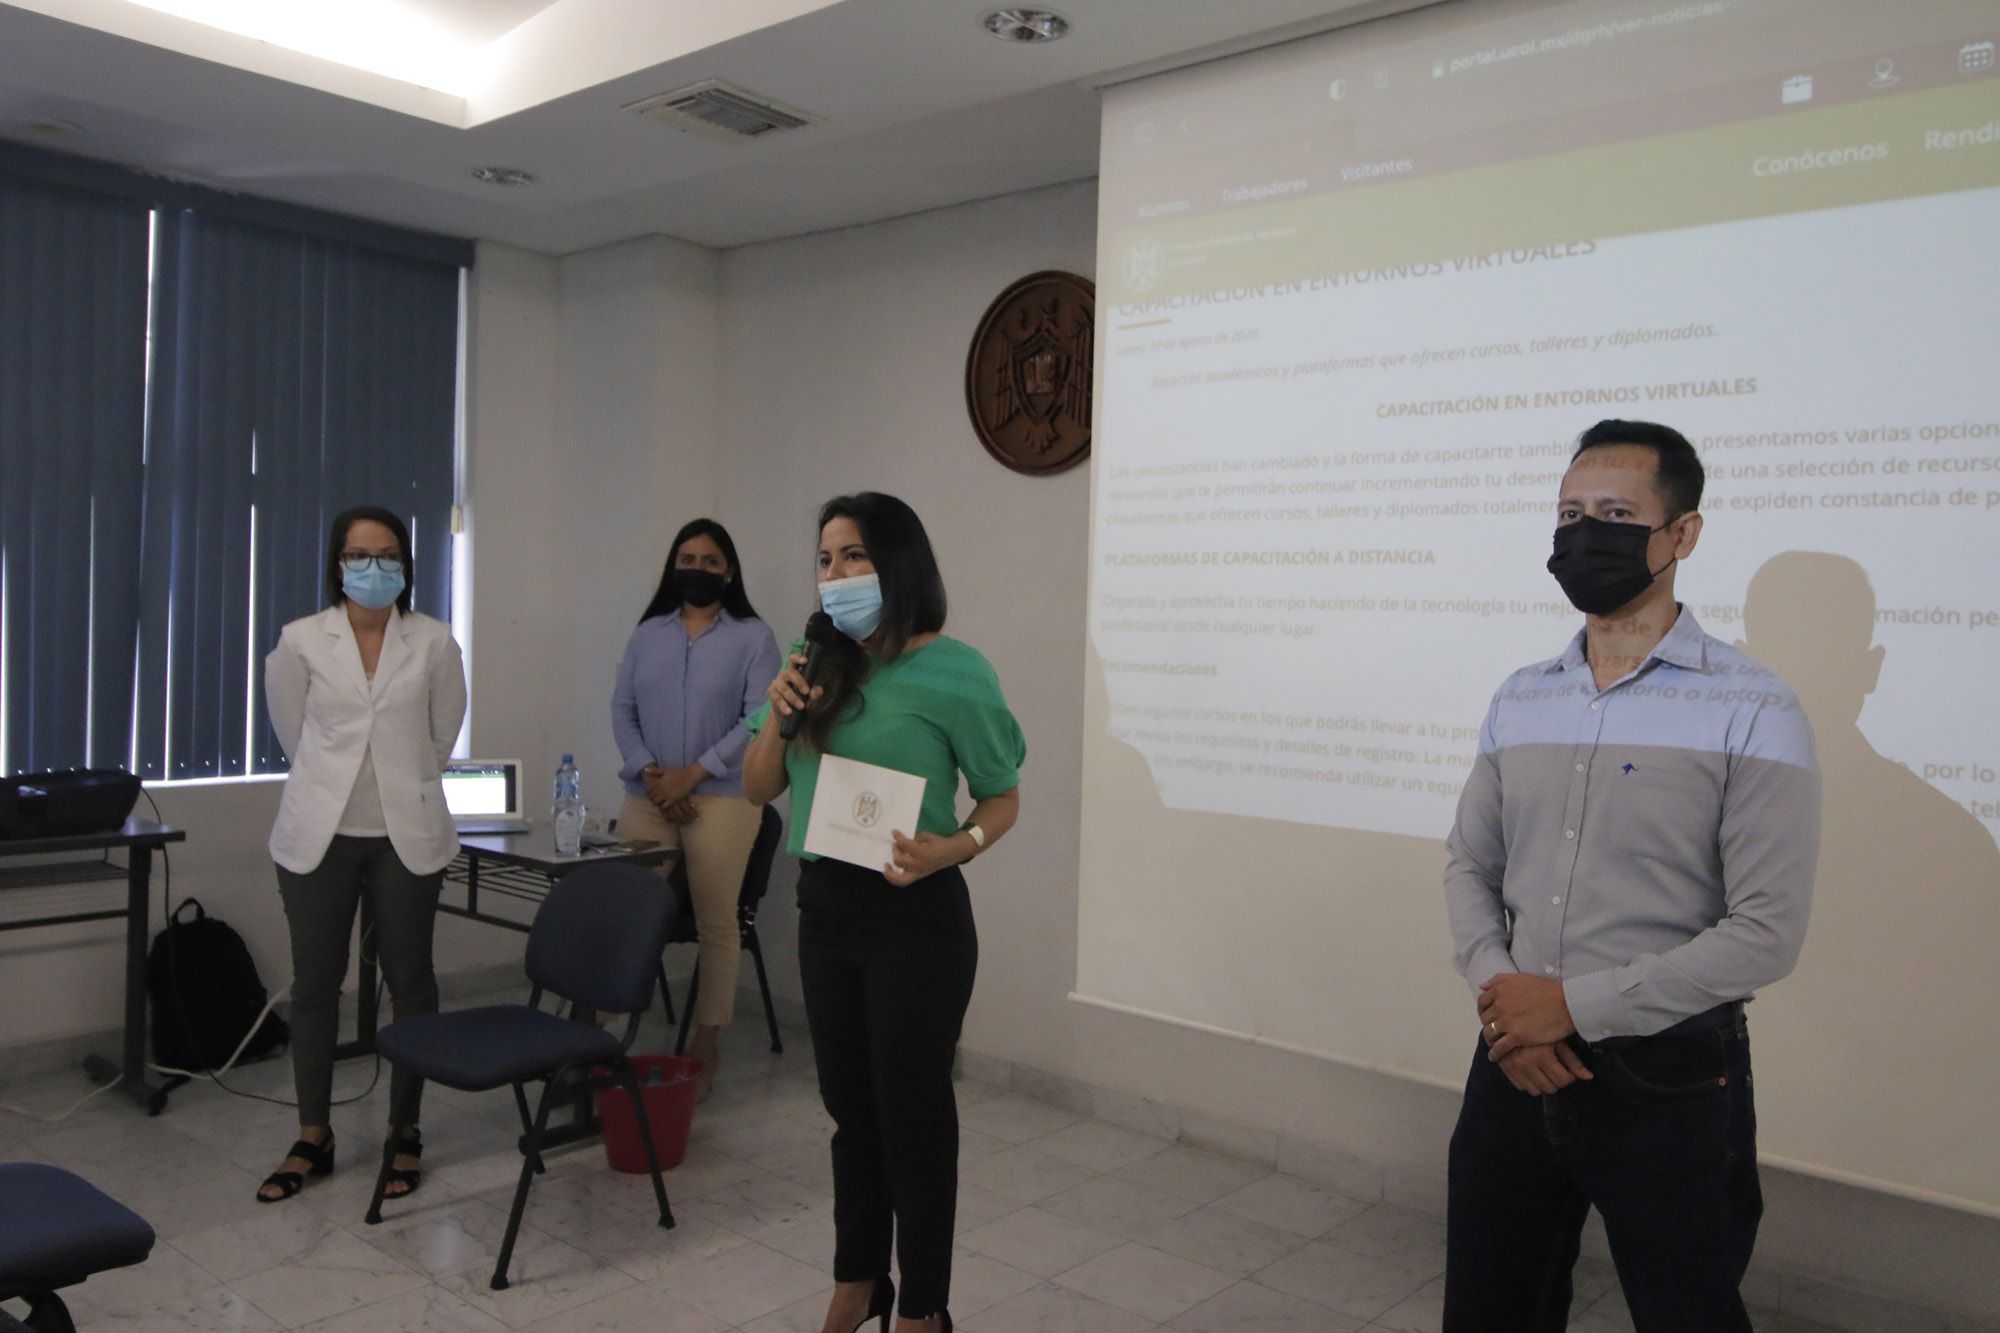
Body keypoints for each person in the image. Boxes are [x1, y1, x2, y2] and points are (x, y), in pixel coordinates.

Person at [1441, 420, 1820, 1330]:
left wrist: (1569, 1006)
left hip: (1670, 1079)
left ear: (1681, 533)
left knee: (1687, 1311)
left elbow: (1766, 932)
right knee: (1491, 1307)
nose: (1585, 536)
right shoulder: (1522, 694)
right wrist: (1508, 1002)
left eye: (1615, 515)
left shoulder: (1754, 707)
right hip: (1511, 1060)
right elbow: (1470, 864)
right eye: (1570, 514)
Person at [744, 493, 1024, 1333]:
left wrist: (957, 845)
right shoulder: (813, 661)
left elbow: (1002, 796)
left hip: (917, 916)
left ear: (898, 564)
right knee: (851, 1111)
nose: (836, 574)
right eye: (825, 559)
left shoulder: (958, 671)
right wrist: (780, 715)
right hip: (827, 909)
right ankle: (859, 1278)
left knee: (913, 1118)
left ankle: (925, 1304)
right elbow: (758, 787)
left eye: (855, 555)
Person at [259, 505, 466, 1203]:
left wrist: (397, 784)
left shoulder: (434, 642)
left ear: (406, 564)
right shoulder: (300, 641)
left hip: (406, 837)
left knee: (411, 983)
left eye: (387, 555)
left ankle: (405, 1129)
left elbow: (439, 741)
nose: (373, 567)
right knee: (316, 985)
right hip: (319, 836)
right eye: (358, 555)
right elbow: (294, 734)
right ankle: (312, 1133)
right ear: (337, 563)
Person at [611, 518, 780, 1093]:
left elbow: (758, 719)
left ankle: (706, 1044)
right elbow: (623, 709)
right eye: (688, 559)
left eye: (711, 561)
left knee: (716, 921)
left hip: (724, 798)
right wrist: (653, 774)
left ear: (729, 573)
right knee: (624, 913)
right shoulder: (648, 634)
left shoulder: (754, 637)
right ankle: (594, 1033)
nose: (698, 569)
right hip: (649, 795)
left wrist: (693, 775)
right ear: (673, 567)